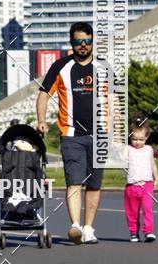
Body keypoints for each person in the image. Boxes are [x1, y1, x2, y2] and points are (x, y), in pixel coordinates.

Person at [36, 21, 109, 245]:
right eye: (79, 42)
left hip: (100, 134)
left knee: (95, 184)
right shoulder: (60, 67)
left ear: (93, 41)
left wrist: (115, 130)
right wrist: (41, 120)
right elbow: (43, 94)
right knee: (74, 181)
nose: (83, 45)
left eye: (87, 41)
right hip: (71, 134)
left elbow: (114, 99)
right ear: (72, 43)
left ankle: (89, 228)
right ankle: (75, 225)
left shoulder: (104, 66)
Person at [125, 115, 158, 243]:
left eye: (141, 139)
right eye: (134, 139)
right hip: (131, 186)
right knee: (132, 212)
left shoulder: (149, 149)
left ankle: (148, 232)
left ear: (146, 137)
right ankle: (134, 233)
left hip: (147, 184)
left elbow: (153, 164)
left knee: (148, 209)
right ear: (130, 137)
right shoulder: (127, 149)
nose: (138, 142)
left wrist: (156, 178)